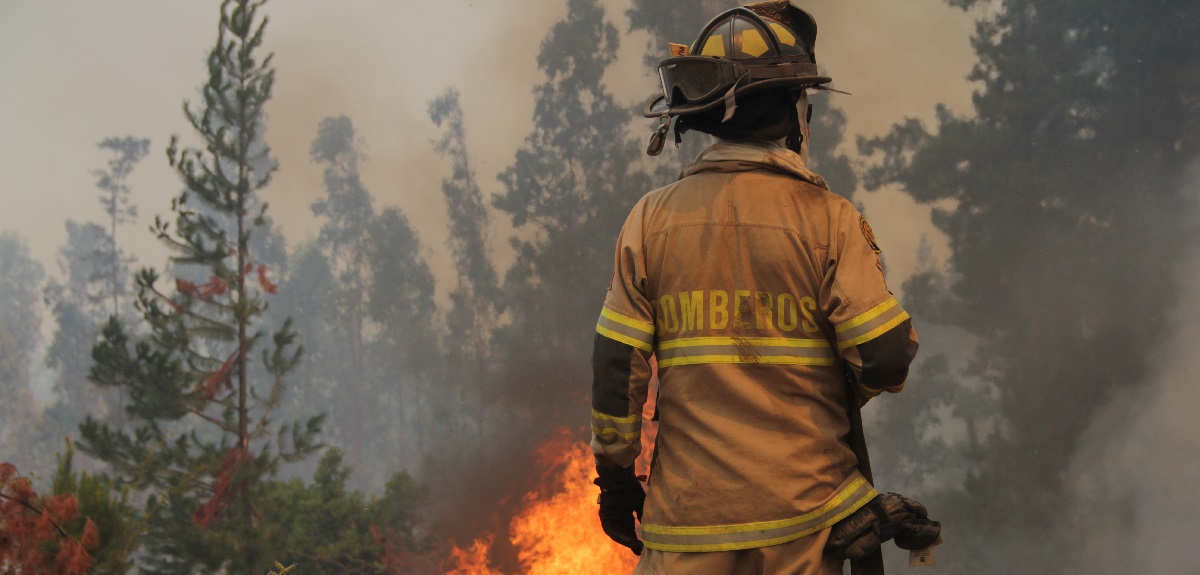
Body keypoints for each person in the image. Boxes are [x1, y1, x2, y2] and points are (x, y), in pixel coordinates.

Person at [589, 2, 935, 573]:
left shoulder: (649, 222)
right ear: (792, 110)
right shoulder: (827, 219)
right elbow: (884, 359)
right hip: (807, 525)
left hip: (685, 529)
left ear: (702, 117)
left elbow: (614, 369)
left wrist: (617, 483)